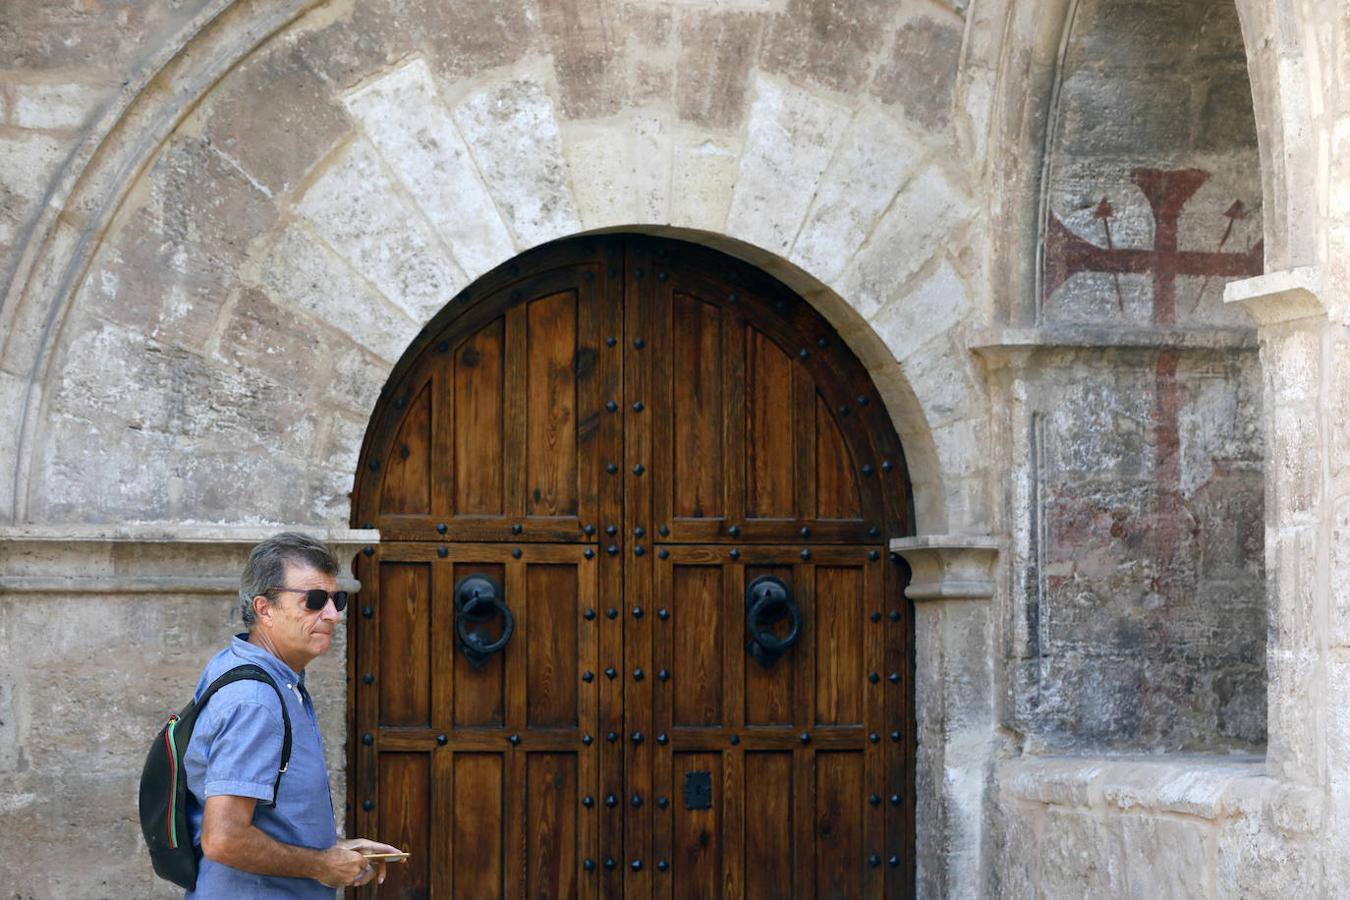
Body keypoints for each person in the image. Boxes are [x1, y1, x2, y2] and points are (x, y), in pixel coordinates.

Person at [182, 532, 400, 896]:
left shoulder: (261, 673)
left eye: (337, 599)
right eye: (314, 601)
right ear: (264, 608)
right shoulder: (255, 700)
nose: (332, 614)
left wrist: (333, 851)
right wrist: (322, 865)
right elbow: (223, 838)